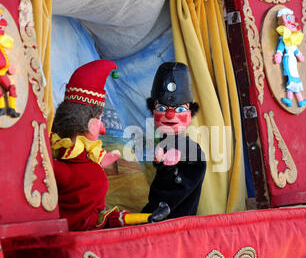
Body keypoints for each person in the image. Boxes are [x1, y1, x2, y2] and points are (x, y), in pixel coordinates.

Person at [51, 60, 169, 231]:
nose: (103, 129)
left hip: (93, 231)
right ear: (89, 123)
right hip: (71, 241)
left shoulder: (83, 161)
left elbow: (97, 213)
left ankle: (147, 217)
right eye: (99, 119)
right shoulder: (63, 168)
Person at [142, 62, 206, 219]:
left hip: (177, 223)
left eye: (180, 110)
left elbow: (178, 193)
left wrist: (169, 167)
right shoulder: (164, 143)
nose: (170, 115)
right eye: (162, 109)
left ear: (190, 114)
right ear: (153, 111)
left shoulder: (191, 150)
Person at [273, 7, 306, 108]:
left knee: (295, 79)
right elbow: (280, 48)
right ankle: (291, 100)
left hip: (293, 60)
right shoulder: (284, 39)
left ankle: (298, 101)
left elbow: (295, 49)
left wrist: (299, 55)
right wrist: (278, 54)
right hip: (288, 59)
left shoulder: (292, 40)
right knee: (291, 80)